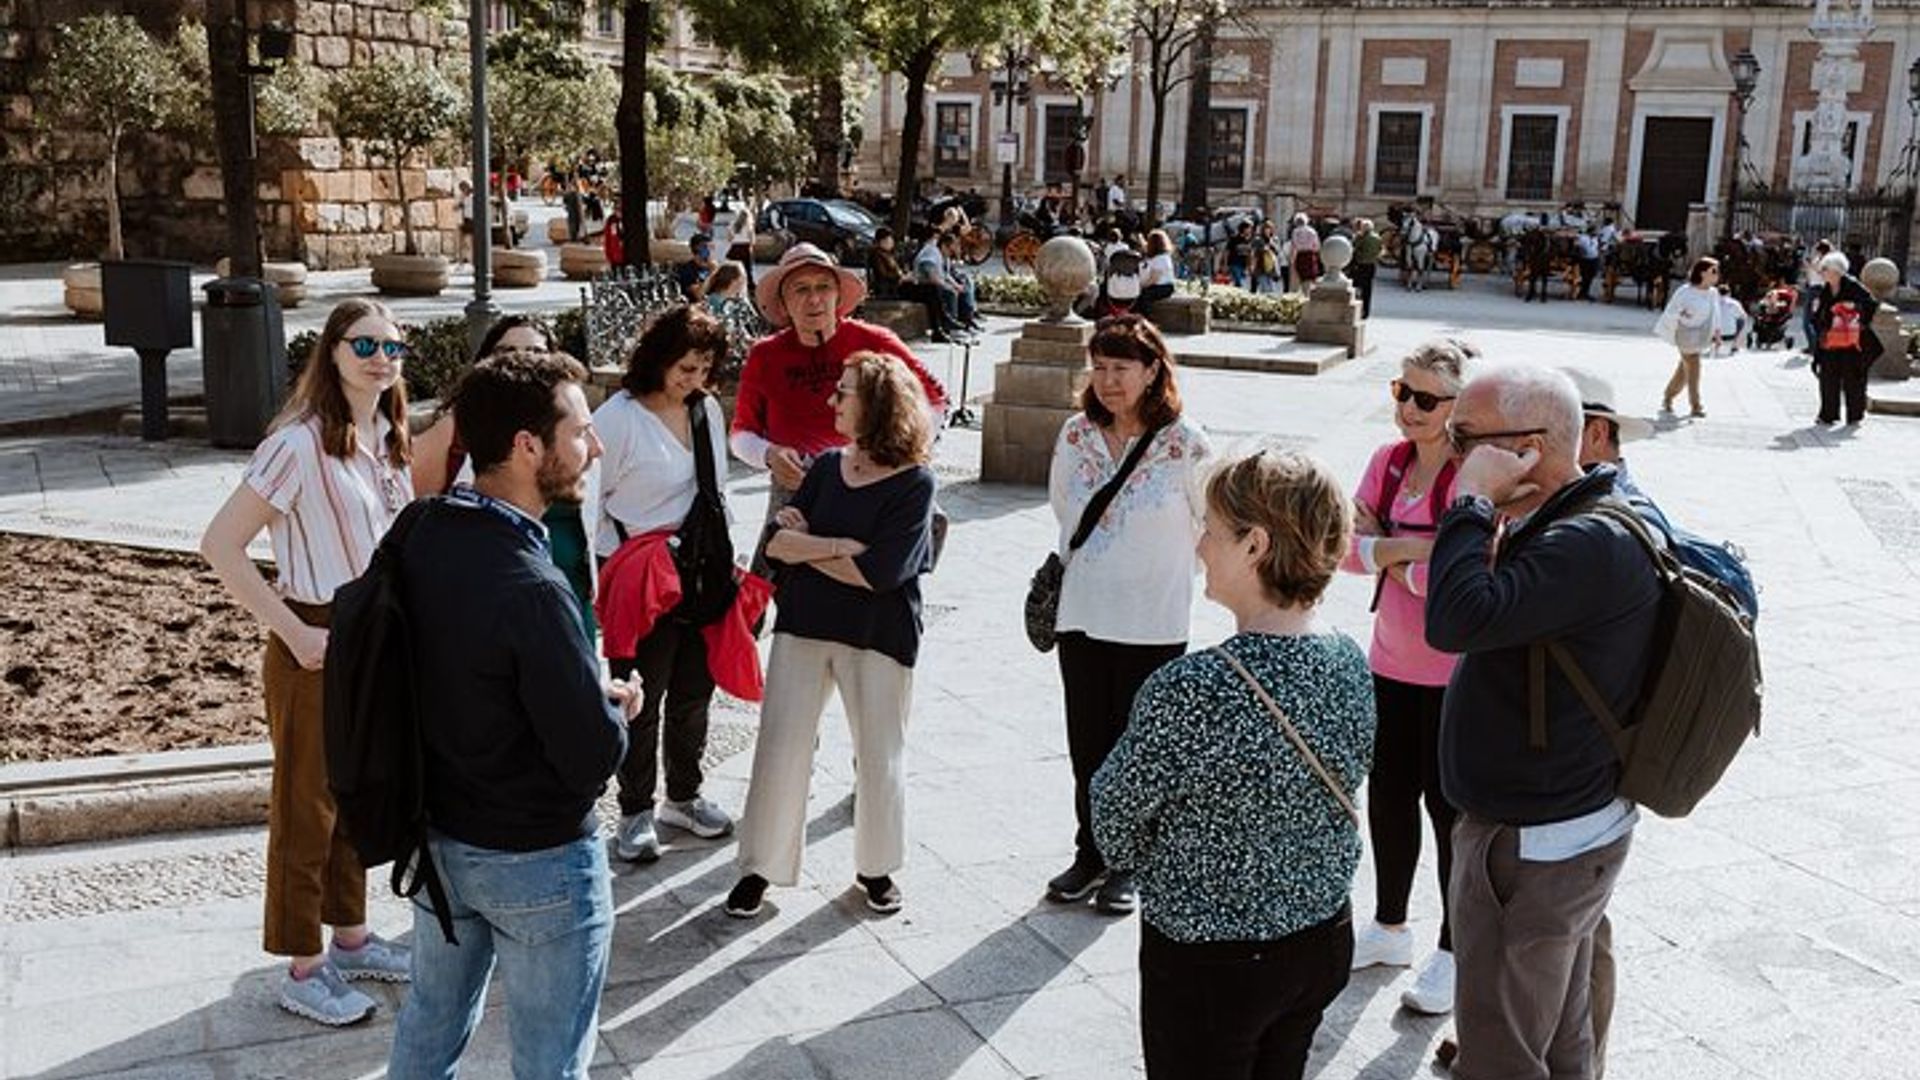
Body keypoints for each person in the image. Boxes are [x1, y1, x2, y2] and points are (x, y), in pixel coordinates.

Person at [385, 349, 636, 1080]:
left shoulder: (420, 532)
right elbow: (592, 756)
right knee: (551, 1063)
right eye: (581, 430)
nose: (595, 445)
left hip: (437, 844)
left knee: (428, 1030)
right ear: (529, 447)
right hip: (540, 864)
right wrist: (615, 708)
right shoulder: (534, 586)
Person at [1092, 448, 1374, 1080]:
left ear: (1255, 545)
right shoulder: (1349, 658)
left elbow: (1113, 822)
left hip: (1211, 959)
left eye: (1212, 531)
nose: (1198, 547)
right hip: (1321, 935)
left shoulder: (1192, 686)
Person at [1425, 364, 1661, 1080]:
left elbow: (1455, 619)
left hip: (1532, 841)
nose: (1451, 448)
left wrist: (1468, 505)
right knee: (1563, 1034)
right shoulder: (1598, 509)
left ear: (1526, 447)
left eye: (1463, 436)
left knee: (1501, 1050)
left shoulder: (1586, 542)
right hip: (1572, 823)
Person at [199, 298, 415, 1025]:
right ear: (331, 352)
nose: (383, 358)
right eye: (365, 345)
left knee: (353, 794)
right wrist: (293, 632)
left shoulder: (386, 436)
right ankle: (303, 966)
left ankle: (351, 939)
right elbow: (221, 545)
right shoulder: (296, 445)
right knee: (305, 810)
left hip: (369, 638)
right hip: (314, 638)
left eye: (394, 346)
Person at [725, 352, 939, 918]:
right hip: (804, 625)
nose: (832, 401)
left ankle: (877, 869)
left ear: (876, 405)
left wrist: (810, 545)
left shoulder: (916, 483)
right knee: (780, 746)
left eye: (843, 393)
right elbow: (776, 545)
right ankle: (759, 869)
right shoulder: (823, 468)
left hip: (880, 633)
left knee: (878, 755)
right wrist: (839, 547)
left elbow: (882, 573)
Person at [1045, 314, 1213, 914]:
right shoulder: (1075, 434)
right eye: (1101, 367)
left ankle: (1132, 859)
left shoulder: (1186, 442)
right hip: (1084, 612)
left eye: (1122, 368)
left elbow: (1206, 522)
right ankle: (1089, 851)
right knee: (1087, 742)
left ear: (1152, 372)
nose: (1109, 380)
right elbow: (1063, 507)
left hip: (1154, 617)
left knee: (1141, 745)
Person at [1339, 339, 1476, 1018]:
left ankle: (1454, 953)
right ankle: (1389, 927)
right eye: (1402, 392)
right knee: (1390, 800)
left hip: (1455, 676)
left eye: (1426, 398)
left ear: (1457, 404)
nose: (1410, 409)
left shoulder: (1471, 476)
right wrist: (1404, 553)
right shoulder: (1387, 463)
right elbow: (1344, 551)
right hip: (1387, 663)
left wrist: (1384, 548)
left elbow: (1457, 573)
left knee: (1451, 817)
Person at [591, 305, 739, 864]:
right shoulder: (618, 418)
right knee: (639, 696)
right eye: (685, 367)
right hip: (639, 574)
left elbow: (717, 491)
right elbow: (587, 502)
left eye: (704, 368)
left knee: (694, 693)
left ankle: (684, 794)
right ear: (658, 359)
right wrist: (619, 562)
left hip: (698, 571)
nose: (694, 380)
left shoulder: (705, 411)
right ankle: (633, 810)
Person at [731, 243, 948, 577]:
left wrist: (894, 453)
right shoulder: (765, 356)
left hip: (872, 477)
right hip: (795, 483)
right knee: (768, 577)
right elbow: (741, 433)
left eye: (823, 287)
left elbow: (933, 399)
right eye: (801, 290)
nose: (814, 299)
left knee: (885, 567)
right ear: (784, 303)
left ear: (837, 295)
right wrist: (769, 455)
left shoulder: (875, 340)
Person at [411, 317, 596, 633]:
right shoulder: (455, 430)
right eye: (506, 351)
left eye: (536, 352)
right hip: (489, 608)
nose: (520, 359)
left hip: (571, 596)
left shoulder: (573, 430)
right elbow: (417, 514)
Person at [1808, 250, 1881, 427]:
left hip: (1851, 341)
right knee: (1827, 376)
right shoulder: (1826, 289)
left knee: (1853, 378)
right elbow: (1820, 316)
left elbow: (1871, 303)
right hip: (1832, 341)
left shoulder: (1852, 285)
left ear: (1836, 271)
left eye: (1824, 269)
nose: (1822, 272)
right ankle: (1828, 414)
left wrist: (1855, 306)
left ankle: (1855, 415)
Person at [1656, 256, 1720, 418]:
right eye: (1713, 271)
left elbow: (1716, 314)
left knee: (1684, 372)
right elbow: (1672, 310)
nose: (1717, 274)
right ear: (1703, 272)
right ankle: (1696, 405)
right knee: (1694, 368)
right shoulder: (1685, 291)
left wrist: (1717, 333)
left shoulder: (1713, 293)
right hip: (1685, 334)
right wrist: (1683, 314)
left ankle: (1668, 396)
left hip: (1702, 334)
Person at [1135, 230, 1177, 313]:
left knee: (1143, 296)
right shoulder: (1160, 256)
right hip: (1161, 286)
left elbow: (1154, 279)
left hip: (1163, 287)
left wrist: (1140, 286)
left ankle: (1146, 317)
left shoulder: (1161, 259)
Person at [1352, 218, 1382, 318]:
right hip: (1372, 265)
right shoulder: (1377, 238)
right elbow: (1381, 251)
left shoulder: (1361, 237)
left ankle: (1358, 309)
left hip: (1361, 265)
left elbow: (1355, 248)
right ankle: (1366, 311)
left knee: (1357, 287)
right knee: (1368, 289)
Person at [677, 232, 719, 302]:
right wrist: (712, 273)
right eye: (704, 250)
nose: (710, 254)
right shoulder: (687, 269)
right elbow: (698, 295)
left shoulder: (715, 266)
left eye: (711, 249)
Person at [1290, 213, 1322, 288]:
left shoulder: (1295, 232)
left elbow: (1294, 246)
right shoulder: (1312, 231)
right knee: (1310, 278)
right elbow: (1317, 246)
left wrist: (1292, 260)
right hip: (1310, 255)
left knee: (1300, 277)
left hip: (1300, 255)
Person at [1225, 220, 1254, 289]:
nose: (1250, 231)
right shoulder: (1234, 239)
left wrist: (1250, 265)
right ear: (1244, 229)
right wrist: (1225, 264)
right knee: (1239, 283)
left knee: (1242, 283)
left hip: (1244, 265)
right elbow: (1227, 252)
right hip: (1234, 263)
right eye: (1249, 228)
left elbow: (1250, 253)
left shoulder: (1249, 240)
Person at [1574, 228, 1600, 302]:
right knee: (1585, 276)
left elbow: (1597, 247)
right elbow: (1577, 245)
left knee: (1591, 276)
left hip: (1594, 259)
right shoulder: (1583, 238)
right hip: (1585, 259)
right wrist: (1581, 250)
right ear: (1590, 232)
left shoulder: (1595, 239)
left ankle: (1584, 292)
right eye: (1594, 232)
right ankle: (1583, 293)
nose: (1595, 234)